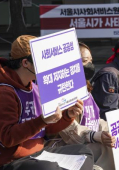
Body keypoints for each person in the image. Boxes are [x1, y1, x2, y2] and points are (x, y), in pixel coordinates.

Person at [0, 35, 94, 170]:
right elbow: (7, 138)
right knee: (49, 167)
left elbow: (47, 130)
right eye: (42, 61)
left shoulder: (36, 88)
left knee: (84, 153)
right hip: (12, 161)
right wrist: (41, 121)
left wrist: (67, 115)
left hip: (37, 154)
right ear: (25, 63)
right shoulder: (5, 91)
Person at [59, 42, 116, 170]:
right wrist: (94, 136)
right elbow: (68, 128)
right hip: (70, 145)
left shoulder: (86, 88)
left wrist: (111, 131)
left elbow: (95, 119)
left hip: (88, 140)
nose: (90, 65)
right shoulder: (62, 92)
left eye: (91, 60)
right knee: (106, 148)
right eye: (85, 61)